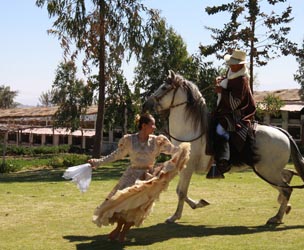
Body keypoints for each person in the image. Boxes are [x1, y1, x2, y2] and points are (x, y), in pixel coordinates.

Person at [88, 113, 190, 242]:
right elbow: (116, 155)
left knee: (138, 208)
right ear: (144, 125)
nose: (154, 127)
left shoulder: (157, 141)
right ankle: (118, 229)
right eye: (152, 124)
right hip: (131, 176)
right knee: (124, 205)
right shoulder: (129, 140)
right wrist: (97, 162)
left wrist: (185, 148)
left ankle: (123, 233)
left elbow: (174, 150)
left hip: (148, 178)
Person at [206, 49, 256, 179]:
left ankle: (223, 161)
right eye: (230, 63)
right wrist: (220, 80)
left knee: (220, 128)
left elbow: (235, 103)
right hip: (226, 110)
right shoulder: (233, 73)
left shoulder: (242, 80)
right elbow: (227, 81)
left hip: (239, 113)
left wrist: (221, 91)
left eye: (233, 63)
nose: (230, 65)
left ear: (240, 65)